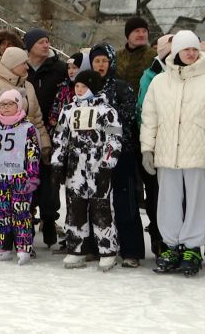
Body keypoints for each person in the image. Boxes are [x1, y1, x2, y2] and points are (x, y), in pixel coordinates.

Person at [141, 30, 205, 277]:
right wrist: (147, 148)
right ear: (176, 52)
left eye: (194, 49)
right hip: (166, 151)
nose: (191, 53)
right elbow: (150, 118)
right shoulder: (160, 82)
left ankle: (192, 248)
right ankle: (171, 246)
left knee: (197, 200)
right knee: (168, 200)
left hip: (198, 152)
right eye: (186, 49)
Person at [52, 70, 122, 271]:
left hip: (98, 165)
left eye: (84, 86)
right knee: (75, 208)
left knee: (102, 208)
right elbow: (60, 138)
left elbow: (114, 139)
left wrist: (107, 165)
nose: (80, 90)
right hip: (75, 166)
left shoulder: (107, 110)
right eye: (77, 86)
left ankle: (107, 250)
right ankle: (76, 248)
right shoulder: (68, 110)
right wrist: (57, 164)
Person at [88, 43, 144, 267]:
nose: (100, 65)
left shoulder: (122, 87)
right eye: (96, 61)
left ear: (111, 63)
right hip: (93, 154)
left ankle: (131, 250)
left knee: (125, 201)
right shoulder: (86, 89)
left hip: (122, 153)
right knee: (97, 201)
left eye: (104, 61)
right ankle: (95, 246)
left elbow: (129, 117)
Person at [0, 89, 40, 265]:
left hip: (21, 177)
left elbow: (33, 154)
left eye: (10, 104)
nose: (6, 108)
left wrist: (33, 176)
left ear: (18, 105)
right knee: (0, 213)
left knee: (21, 213)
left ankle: (24, 248)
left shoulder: (27, 129)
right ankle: (0, 247)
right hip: (1, 178)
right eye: (2, 104)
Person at [23, 28, 67, 248]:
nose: (45, 45)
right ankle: (27, 221)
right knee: (27, 178)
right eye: (40, 42)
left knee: (49, 180)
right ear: (29, 46)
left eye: (47, 41)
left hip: (51, 130)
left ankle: (49, 219)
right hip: (25, 132)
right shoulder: (21, 69)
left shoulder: (59, 68)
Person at [136, 34, 174, 255]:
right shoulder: (151, 76)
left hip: (180, 146)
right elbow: (145, 112)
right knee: (155, 193)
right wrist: (148, 145)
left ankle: (178, 241)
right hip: (157, 144)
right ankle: (159, 236)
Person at [49, 53, 90, 129]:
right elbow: (55, 108)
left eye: (74, 68)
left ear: (84, 67)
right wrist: (55, 127)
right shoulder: (63, 87)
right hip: (60, 132)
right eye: (69, 68)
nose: (70, 71)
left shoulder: (89, 91)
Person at [117, 17, 156, 94]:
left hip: (144, 103)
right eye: (137, 31)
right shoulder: (117, 56)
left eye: (144, 31)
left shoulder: (154, 56)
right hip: (119, 103)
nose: (141, 35)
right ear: (128, 34)